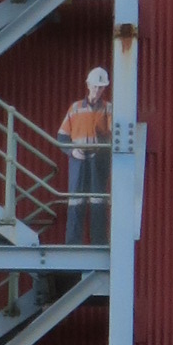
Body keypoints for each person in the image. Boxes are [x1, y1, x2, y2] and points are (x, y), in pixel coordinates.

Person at [57, 65, 111, 244]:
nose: (97, 90)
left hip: (98, 161)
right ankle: (73, 244)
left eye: (101, 87)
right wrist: (72, 151)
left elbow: (113, 135)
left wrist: (101, 145)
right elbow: (62, 136)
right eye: (95, 86)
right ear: (88, 85)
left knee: (98, 202)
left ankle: (99, 243)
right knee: (76, 201)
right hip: (78, 161)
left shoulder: (108, 109)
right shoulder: (75, 108)